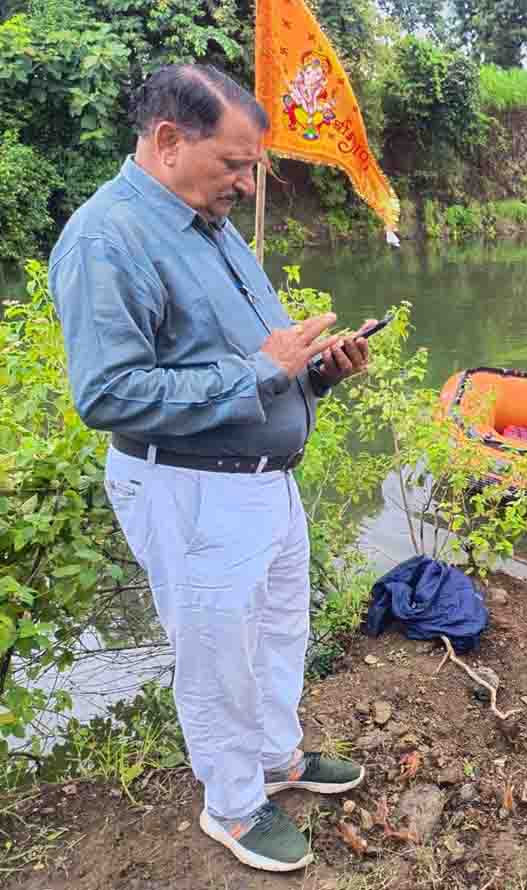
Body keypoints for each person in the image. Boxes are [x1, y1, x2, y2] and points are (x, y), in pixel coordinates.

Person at [50, 65, 373, 873]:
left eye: (251, 165)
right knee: (217, 654)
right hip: (190, 488)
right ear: (168, 141)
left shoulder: (213, 224)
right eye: (234, 163)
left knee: (279, 630)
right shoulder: (107, 239)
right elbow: (109, 394)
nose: (247, 181)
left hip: (265, 481)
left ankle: (275, 758)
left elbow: (250, 361)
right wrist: (263, 371)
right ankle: (231, 804)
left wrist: (315, 373)